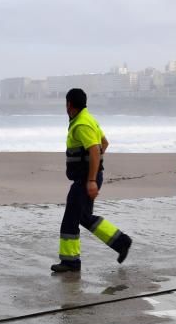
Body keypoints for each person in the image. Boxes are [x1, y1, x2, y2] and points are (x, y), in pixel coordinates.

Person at [50, 88, 132, 273]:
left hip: (85, 180)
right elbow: (105, 143)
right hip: (87, 178)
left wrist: (92, 178)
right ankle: (121, 241)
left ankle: (70, 262)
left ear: (69, 104)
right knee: (84, 217)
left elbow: (96, 149)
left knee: (71, 218)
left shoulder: (82, 124)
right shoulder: (88, 119)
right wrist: (95, 169)